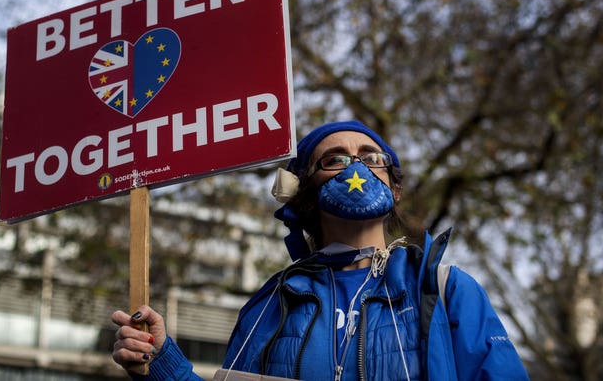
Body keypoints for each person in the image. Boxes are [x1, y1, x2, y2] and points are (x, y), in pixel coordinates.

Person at [112, 120, 530, 380]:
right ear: (306, 194)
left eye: (371, 158)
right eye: (334, 160)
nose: (356, 169)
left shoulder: (444, 289)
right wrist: (161, 363)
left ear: (395, 188)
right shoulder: (272, 302)